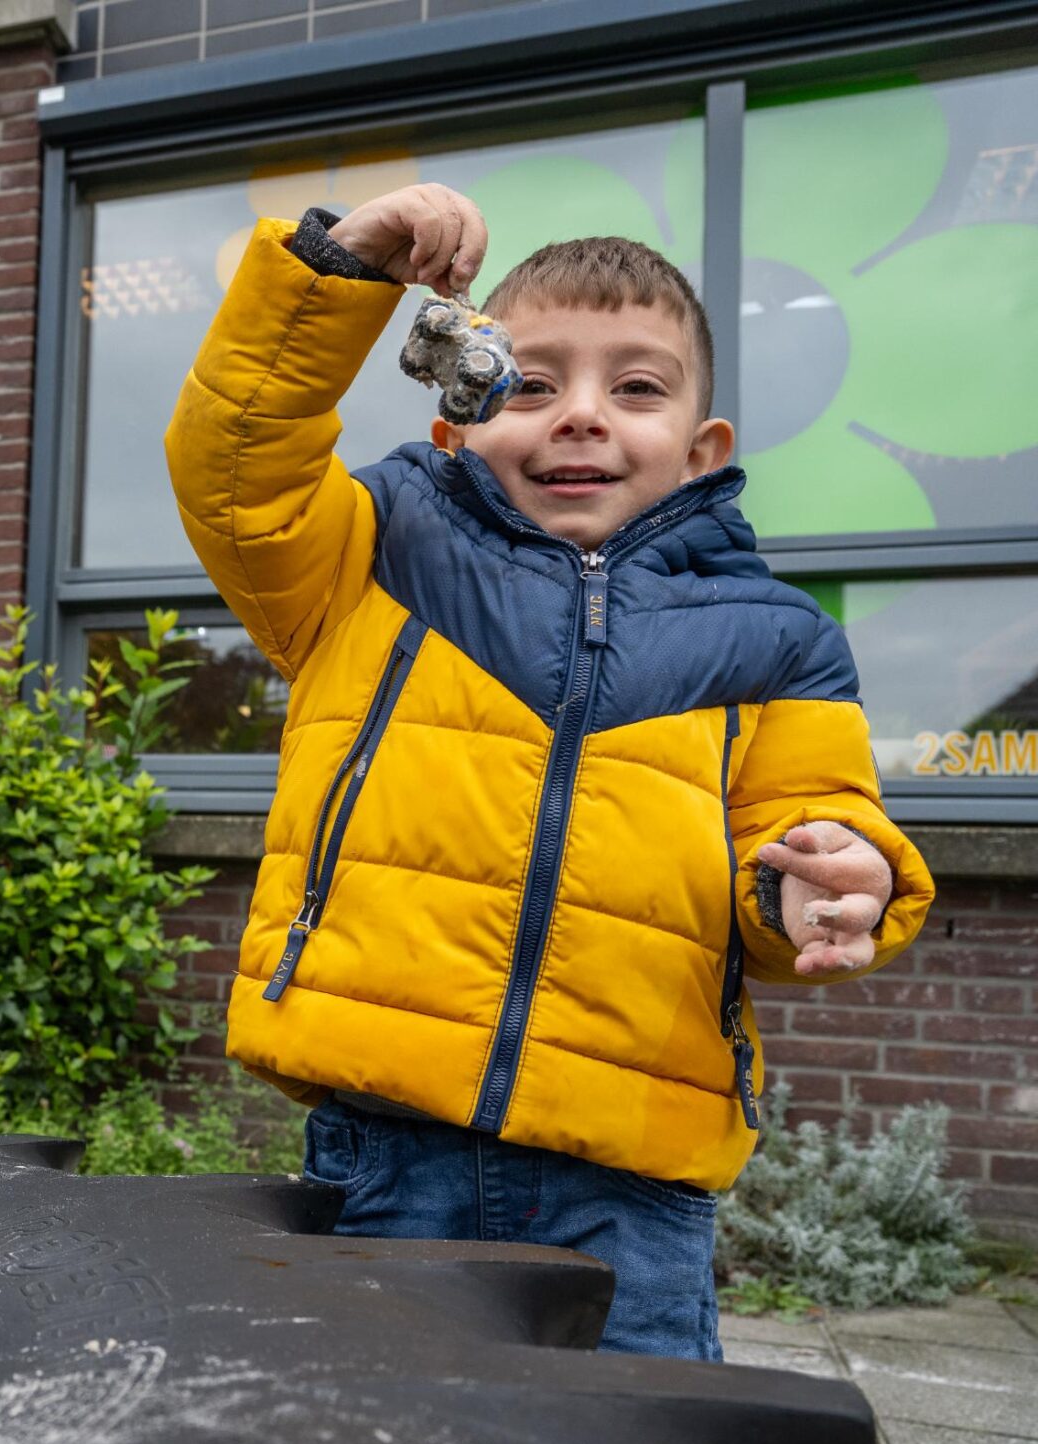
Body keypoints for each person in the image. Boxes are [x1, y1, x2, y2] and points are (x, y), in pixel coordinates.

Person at [163, 184, 934, 1359]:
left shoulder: (777, 639)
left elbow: (805, 821)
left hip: (634, 1181)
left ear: (700, 447)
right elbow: (233, 465)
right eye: (529, 383)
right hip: (386, 1147)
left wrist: (832, 878)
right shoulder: (374, 552)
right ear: (459, 419)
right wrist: (336, 268)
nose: (580, 415)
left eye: (635, 387)